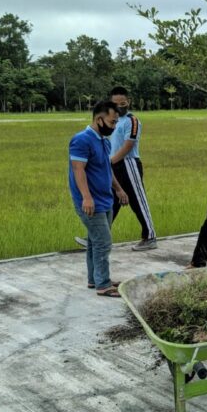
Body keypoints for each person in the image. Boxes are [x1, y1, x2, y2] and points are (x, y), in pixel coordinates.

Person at [69, 101, 129, 297]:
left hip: (105, 199)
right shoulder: (81, 140)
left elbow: (106, 168)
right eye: (112, 122)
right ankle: (103, 285)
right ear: (99, 119)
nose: (113, 127)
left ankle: (94, 279)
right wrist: (86, 197)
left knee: (96, 242)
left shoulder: (104, 140)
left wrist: (119, 190)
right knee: (103, 242)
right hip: (90, 202)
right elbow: (78, 170)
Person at [109, 86, 158, 251]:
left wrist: (111, 161)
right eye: (116, 104)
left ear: (128, 102)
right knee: (111, 201)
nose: (119, 106)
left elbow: (128, 145)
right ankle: (99, 236)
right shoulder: (113, 121)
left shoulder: (132, 121)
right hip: (114, 165)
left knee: (138, 200)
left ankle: (150, 236)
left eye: (122, 103)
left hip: (128, 164)